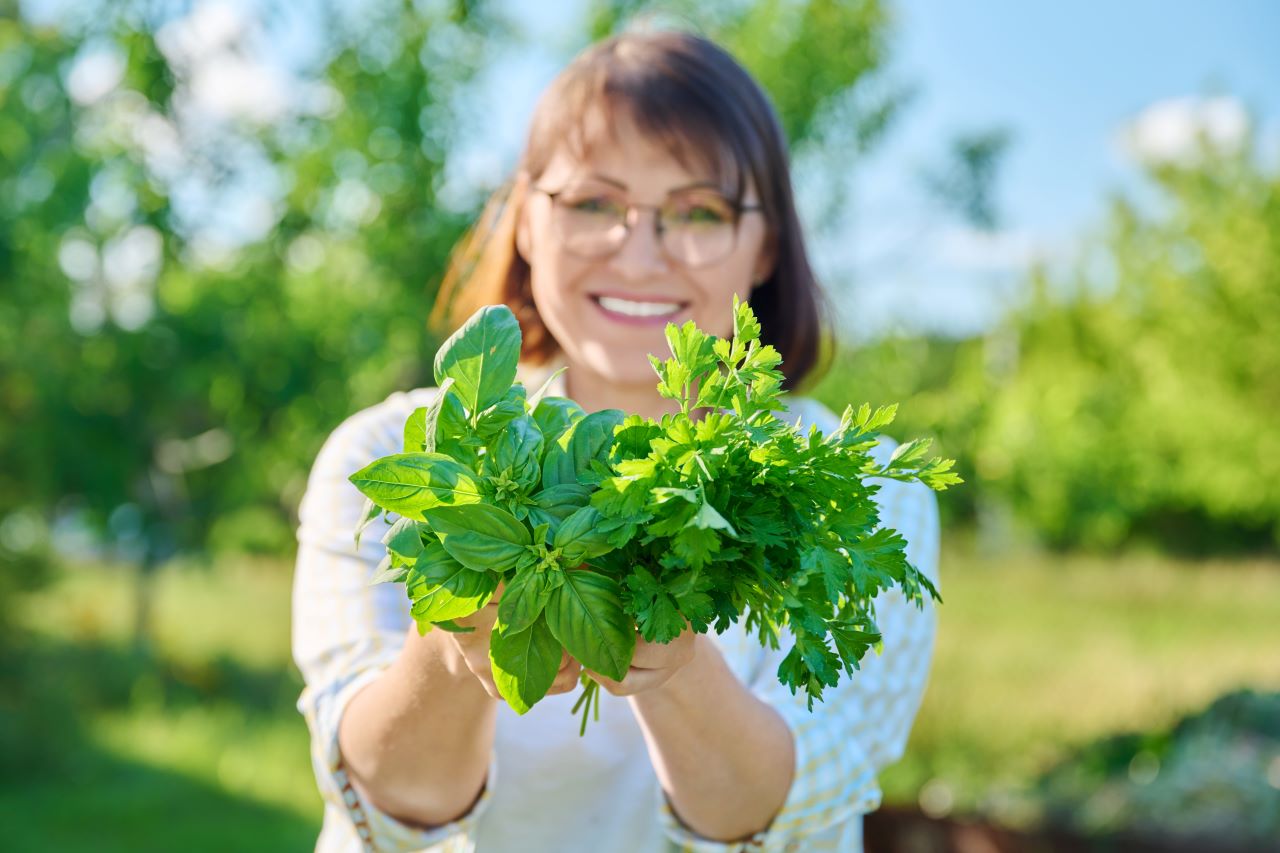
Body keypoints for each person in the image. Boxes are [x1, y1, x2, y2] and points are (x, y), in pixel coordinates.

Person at [293, 29, 940, 853]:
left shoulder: (858, 486)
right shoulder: (400, 458)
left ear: (766, 244)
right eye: (594, 202)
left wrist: (675, 667)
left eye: (698, 211)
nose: (639, 253)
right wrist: (457, 651)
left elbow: (792, 810)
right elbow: (388, 800)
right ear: (527, 220)